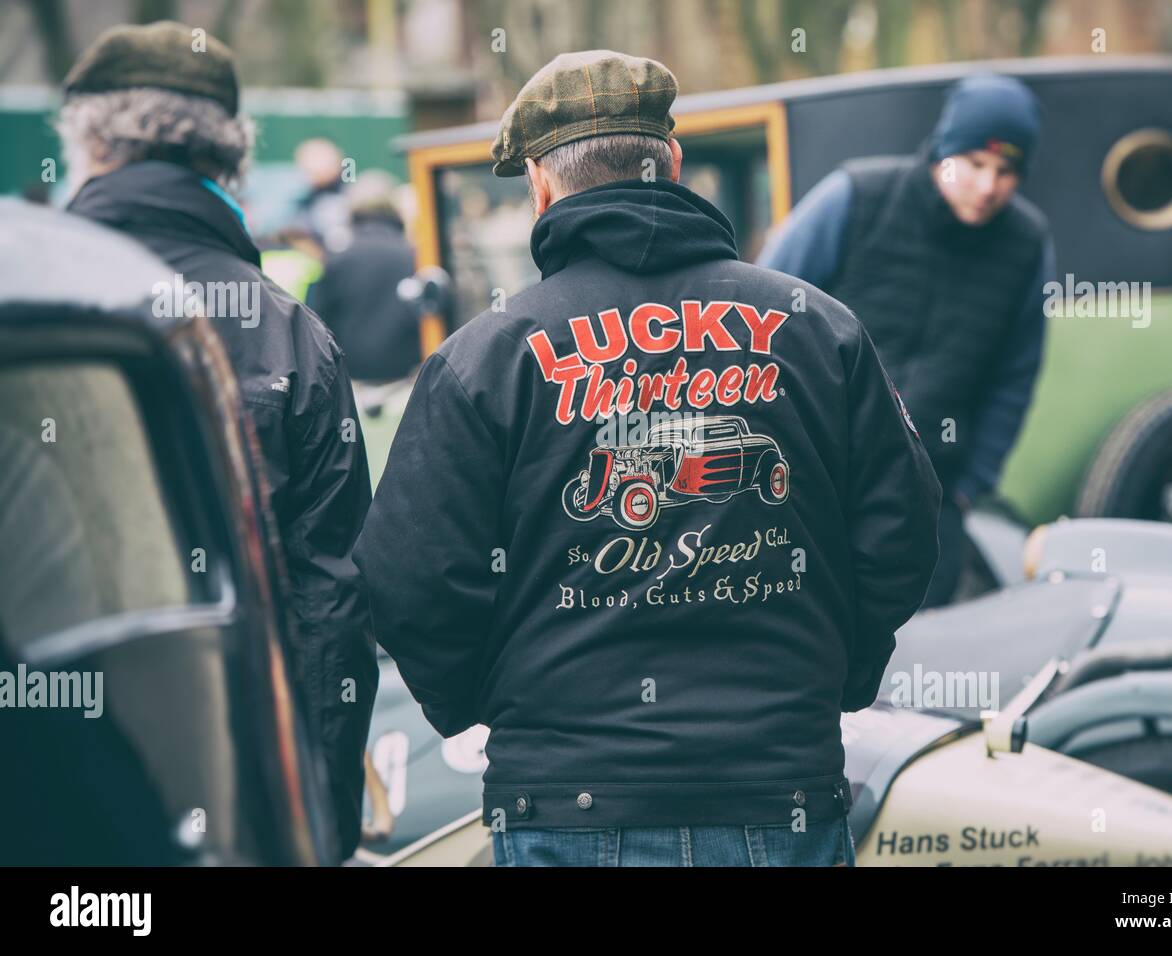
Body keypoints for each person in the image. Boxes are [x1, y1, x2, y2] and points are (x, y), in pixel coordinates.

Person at [354, 50, 940, 867]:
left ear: (540, 186)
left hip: (567, 801)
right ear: (672, 163)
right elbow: (904, 536)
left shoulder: (485, 357)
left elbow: (408, 579)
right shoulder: (818, 329)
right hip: (781, 791)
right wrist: (829, 684)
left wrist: (505, 712)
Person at [59, 21, 378, 862]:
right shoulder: (288, 331)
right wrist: (319, 817)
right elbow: (333, 602)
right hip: (244, 801)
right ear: (229, 155)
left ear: (89, 140)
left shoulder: (30, 301)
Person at [759, 74, 1056, 608]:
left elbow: (1016, 376)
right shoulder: (854, 197)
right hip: (818, 478)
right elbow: (763, 317)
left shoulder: (1027, 246)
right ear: (943, 151)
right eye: (975, 163)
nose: (988, 186)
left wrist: (970, 486)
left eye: (1007, 171)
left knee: (919, 657)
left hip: (931, 495)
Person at [307, 172, 421, 384]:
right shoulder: (415, 256)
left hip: (351, 380)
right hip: (410, 378)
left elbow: (316, 321)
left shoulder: (336, 259)